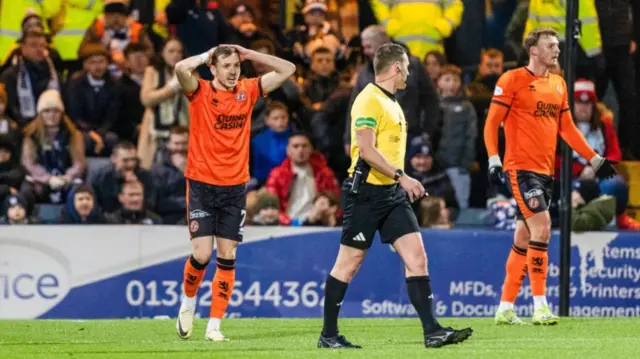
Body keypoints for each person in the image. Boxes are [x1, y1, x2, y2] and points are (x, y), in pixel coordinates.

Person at [318, 43, 472, 349]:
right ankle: (329, 335)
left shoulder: (391, 102)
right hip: (366, 193)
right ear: (396, 68)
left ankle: (433, 331)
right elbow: (366, 150)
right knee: (349, 263)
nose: (410, 75)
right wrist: (403, 177)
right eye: (408, 68)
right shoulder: (368, 100)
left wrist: (397, 181)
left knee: (417, 258)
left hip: (390, 193)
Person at [484, 28, 617, 326]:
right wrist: (494, 158)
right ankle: (540, 306)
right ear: (533, 50)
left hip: (546, 172)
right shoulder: (512, 80)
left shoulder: (558, 84)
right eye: (550, 45)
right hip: (520, 168)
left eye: (557, 45)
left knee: (523, 235)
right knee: (542, 228)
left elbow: (567, 129)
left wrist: (595, 159)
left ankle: (505, 307)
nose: (556, 50)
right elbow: (492, 123)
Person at [173, 44, 295, 341]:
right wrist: (206, 55)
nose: (232, 71)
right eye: (225, 66)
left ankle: (214, 326)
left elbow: (288, 69)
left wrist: (251, 55)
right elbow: (180, 69)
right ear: (213, 69)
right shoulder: (199, 91)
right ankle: (188, 303)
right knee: (202, 255)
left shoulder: (249, 90)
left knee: (227, 256)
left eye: (235, 66)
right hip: (201, 184)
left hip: (234, 186)